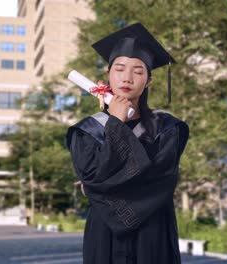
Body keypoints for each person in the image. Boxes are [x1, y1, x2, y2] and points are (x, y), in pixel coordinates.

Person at [66, 23, 189, 264]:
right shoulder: (86, 131)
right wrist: (115, 121)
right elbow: (94, 177)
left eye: (138, 71)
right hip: (104, 235)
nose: (127, 77)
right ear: (108, 75)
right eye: (120, 69)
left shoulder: (167, 128)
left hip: (153, 232)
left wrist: (94, 187)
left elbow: (158, 181)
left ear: (149, 81)